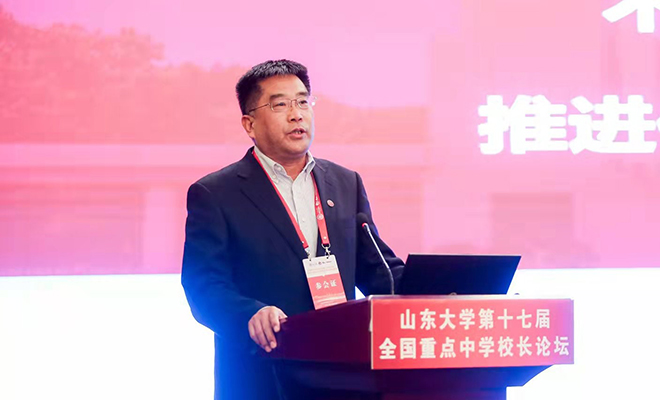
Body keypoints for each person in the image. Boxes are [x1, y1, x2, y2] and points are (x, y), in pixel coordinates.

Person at [181, 59, 404, 400]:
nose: (296, 114)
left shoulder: (345, 182)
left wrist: (442, 291)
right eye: (280, 105)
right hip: (264, 374)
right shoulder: (216, 193)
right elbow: (204, 286)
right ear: (250, 123)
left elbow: (378, 270)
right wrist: (249, 314)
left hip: (342, 373)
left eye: (302, 102)